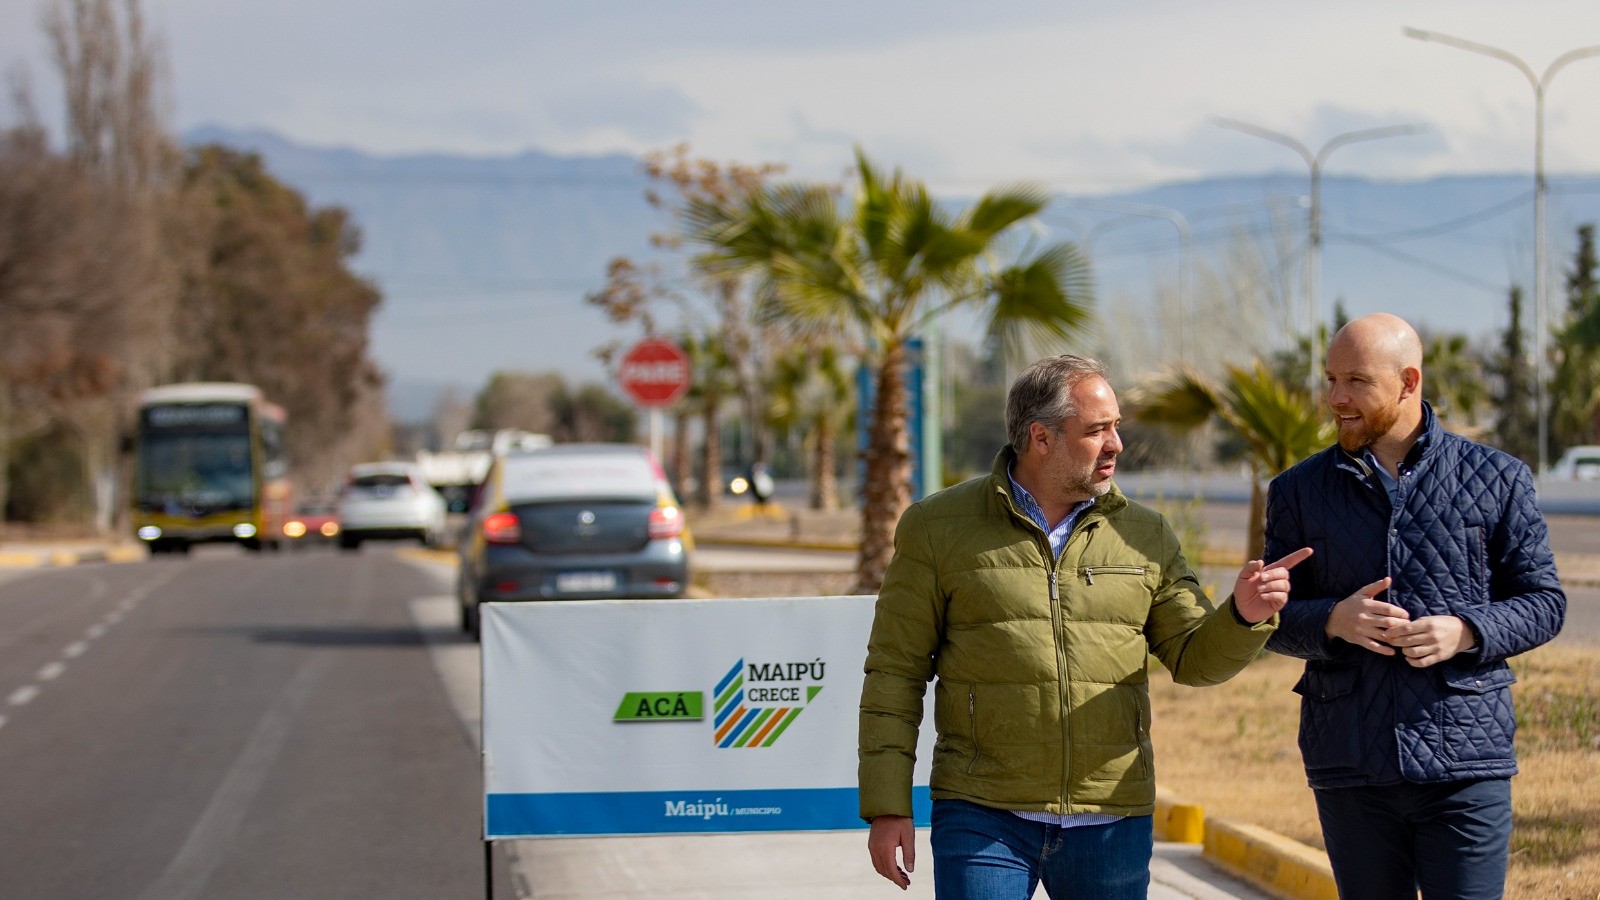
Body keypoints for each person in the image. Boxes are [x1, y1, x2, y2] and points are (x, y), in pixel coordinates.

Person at [858, 354, 1311, 899]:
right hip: (983, 811)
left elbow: (1194, 660)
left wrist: (1242, 615)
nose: (1116, 444)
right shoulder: (937, 527)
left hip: (1111, 818)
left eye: (1115, 426)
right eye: (1097, 430)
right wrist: (888, 807)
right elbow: (895, 673)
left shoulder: (1146, 534)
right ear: (1041, 438)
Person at [1263, 313, 1566, 900]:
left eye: (1356, 381)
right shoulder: (1297, 491)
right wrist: (1332, 620)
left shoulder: (1499, 478)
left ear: (1408, 382)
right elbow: (1272, 619)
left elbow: (1544, 601)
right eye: (1331, 380)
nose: (1336, 398)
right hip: (1349, 760)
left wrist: (1467, 630)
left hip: (1466, 760)